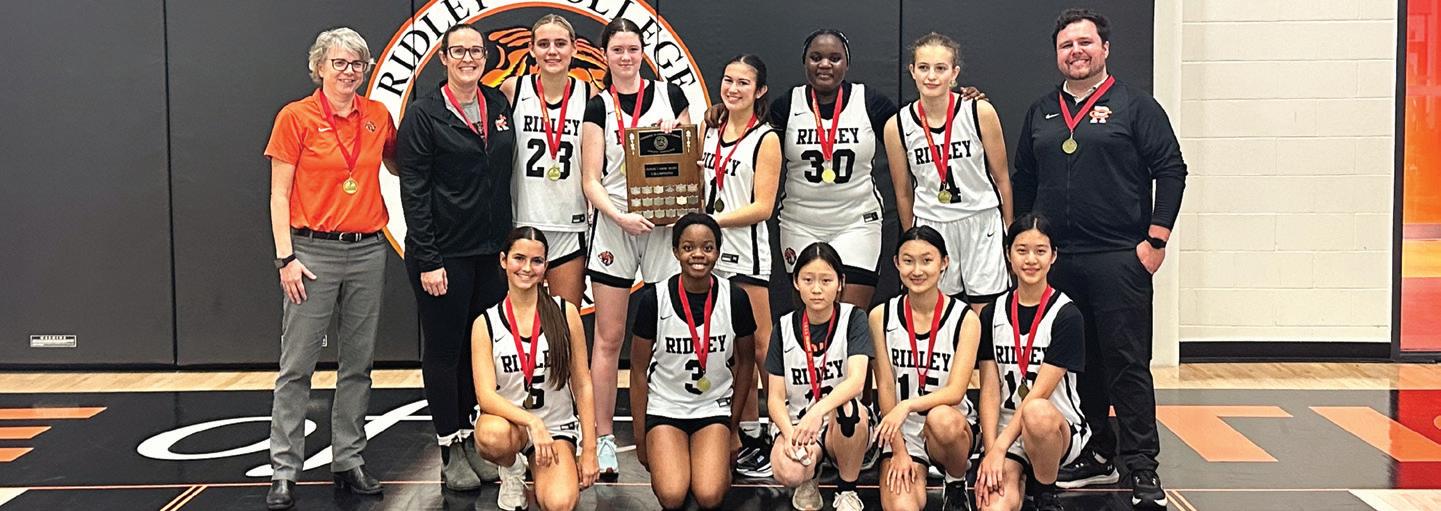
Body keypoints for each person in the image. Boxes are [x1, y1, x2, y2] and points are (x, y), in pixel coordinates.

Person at [1011, 9, 1187, 509]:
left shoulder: (1135, 106)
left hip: (1119, 256)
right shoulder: (1042, 111)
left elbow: (1171, 169)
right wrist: (1027, 243)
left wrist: (1155, 240)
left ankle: (1142, 466)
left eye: (1085, 43)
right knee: (1077, 364)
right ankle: (1096, 451)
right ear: (1057, 54)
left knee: (1126, 363)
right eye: (1067, 45)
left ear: (1105, 48)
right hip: (1059, 262)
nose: (1076, 52)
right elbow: (1024, 178)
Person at [263, 27, 394, 510]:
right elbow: (278, 194)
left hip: (367, 251)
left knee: (358, 365)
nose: (349, 72)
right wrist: (286, 258)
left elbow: (401, 164)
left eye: (357, 64)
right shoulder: (295, 117)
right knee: (297, 366)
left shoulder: (378, 116)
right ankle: (284, 470)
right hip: (311, 253)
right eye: (339, 63)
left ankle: (349, 460)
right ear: (319, 67)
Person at [395, 22, 517, 491]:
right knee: (445, 352)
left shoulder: (498, 104)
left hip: (490, 254)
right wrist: (429, 259)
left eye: (476, 51)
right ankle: (449, 446)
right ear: (444, 58)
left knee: (476, 350)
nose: (469, 58)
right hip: (444, 254)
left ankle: (471, 438)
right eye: (459, 51)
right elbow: (414, 190)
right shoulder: (424, 114)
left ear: (486, 57)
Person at [580, 17, 692, 477]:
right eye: (617, 50)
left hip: (663, 222)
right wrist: (619, 216)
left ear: (644, 52)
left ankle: (675, 420)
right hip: (616, 224)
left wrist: (675, 135)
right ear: (605, 55)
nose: (626, 57)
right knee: (609, 338)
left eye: (633, 49)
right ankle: (604, 437)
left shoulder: (671, 95)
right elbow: (590, 180)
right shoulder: (598, 106)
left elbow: (690, 164)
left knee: (671, 330)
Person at [629, 213, 756, 511]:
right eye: (688, 247)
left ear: (718, 251)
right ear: (676, 251)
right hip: (665, 407)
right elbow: (637, 371)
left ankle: (710, 463)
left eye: (707, 247)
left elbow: (747, 363)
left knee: (709, 495)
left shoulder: (735, 298)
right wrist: (640, 436)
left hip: (713, 407)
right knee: (672, 495)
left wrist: (733, 426)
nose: (698, 255)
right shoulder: (654, 299)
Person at [471, 227, 599, 511]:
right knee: (491, 435)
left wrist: (589, 449)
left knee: (560, 503)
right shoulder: (486, 323)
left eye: (536, 261)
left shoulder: (565, 313)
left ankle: (544, 467)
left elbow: (583, 384)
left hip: (555, 428)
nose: (527, 268)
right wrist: (532, 423)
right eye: (519, 258)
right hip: (513, 427)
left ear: (546, 266)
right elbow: (486, 397)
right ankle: (512, 469)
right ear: (503, 260)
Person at [885, 32, 1013, 308]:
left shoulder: (979, 111)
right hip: (932, 223)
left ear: (954, 73)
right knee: (938, 313)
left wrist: (1009, 230)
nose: (931, 76)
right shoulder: (897, 126)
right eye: (923, 67)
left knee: (986, 312)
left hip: (981, 220)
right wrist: (912, 239)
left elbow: (1002, 178)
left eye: (940, 68)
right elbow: (903, 192)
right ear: (912, 71)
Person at [973, 214, 1089, 511]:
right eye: (1022, 250)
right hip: (1006, 430)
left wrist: (1000, 448)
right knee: (993, 507)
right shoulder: (992, 313)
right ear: (1008, 254)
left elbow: (1039, 393)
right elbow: (990, 389)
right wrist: (991, 451)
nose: (1031, 260)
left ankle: (1046, 492)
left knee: (1036, 411)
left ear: (1053, 256)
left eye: (1040, 251)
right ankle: (1019, 476)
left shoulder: (1066, 314)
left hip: (1054, 428)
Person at [701, 54, 782, 478]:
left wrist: (710, 222)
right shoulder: (710, 128)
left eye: (743, 83)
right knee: (731, 349)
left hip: (745, 253)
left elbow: (763, 206)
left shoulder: (766, 139)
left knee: (761, 344)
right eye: (728, 80)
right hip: (709, 253)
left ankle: (778, 429)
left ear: (760, 90)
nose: (733, 89)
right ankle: (747, 430)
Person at [871, 226, 983, 511]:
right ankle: (906, 460)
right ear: (896, 263)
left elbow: (956, 391)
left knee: (941, 418)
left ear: (944, 262)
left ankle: (955, 482)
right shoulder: (881, 316)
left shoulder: (965, 318)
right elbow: (885, 386)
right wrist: (898, 451)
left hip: (950, 426)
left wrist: (907, 405)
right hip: (901, 431)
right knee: (901, 506)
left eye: (927, 260)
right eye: (908, 261)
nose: (917, 270)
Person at [765, 242, 873, 511]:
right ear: (796, 282)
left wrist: (817, 412)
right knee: (788, 471)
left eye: (826, 280)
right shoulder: (784, 327)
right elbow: (775, 398)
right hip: (799, 425)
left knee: (850, 410)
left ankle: (847, 489)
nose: (816, 289)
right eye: (808, 280)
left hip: (837, 425)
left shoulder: (854, 318)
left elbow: (856, 381)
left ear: (840, 283)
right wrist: (790, 434)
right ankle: (808, 478)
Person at [500, 15, 593, 306]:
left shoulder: (589, 94)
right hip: (523, 222)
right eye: (543, 44)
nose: (552, 51)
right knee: (521, 321)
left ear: (574, 48)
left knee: (565, 320)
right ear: (531, 49)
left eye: (560, 43)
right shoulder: (513, 90)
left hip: (570, 225)